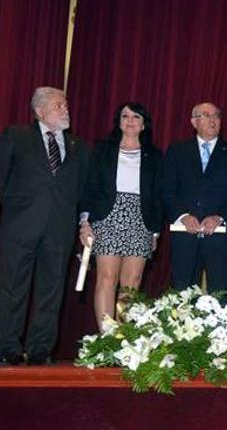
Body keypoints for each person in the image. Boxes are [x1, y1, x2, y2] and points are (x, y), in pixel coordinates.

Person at [0, 87, 90, 365]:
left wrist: (84, 222)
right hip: (19, 227)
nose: (66, 110)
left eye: (65, 105)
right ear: (39, 111)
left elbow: (84, 190)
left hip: (59, 229)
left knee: (51, 291)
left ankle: (40, 349)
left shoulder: (79, 146)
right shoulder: (16, 136)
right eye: (58, 105)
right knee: (12, 288)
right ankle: (7, 347)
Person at [79, 103, 163, 329]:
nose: (130, 120)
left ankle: (123, 340)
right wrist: (85, 223)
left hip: (140, 219)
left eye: (136, 116)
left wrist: (155, 231)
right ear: (118, 121)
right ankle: (107, 338)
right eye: (125, 116)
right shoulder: (102, 150)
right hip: (107, 217)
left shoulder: (155, 156)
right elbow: (90, 187)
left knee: (131, 283)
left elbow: (158, 195)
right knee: (106, 278)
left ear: (144, 124)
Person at [160, 102, 227, 301]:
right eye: (206, 115)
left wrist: (220, 217)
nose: (213, 120)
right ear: (194, 122)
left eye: (217, 115)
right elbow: (167, 190)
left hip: (220, 237)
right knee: (182, 297)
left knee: (221, 296)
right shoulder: (177, 151)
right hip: (185, 236)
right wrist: (183, 216)